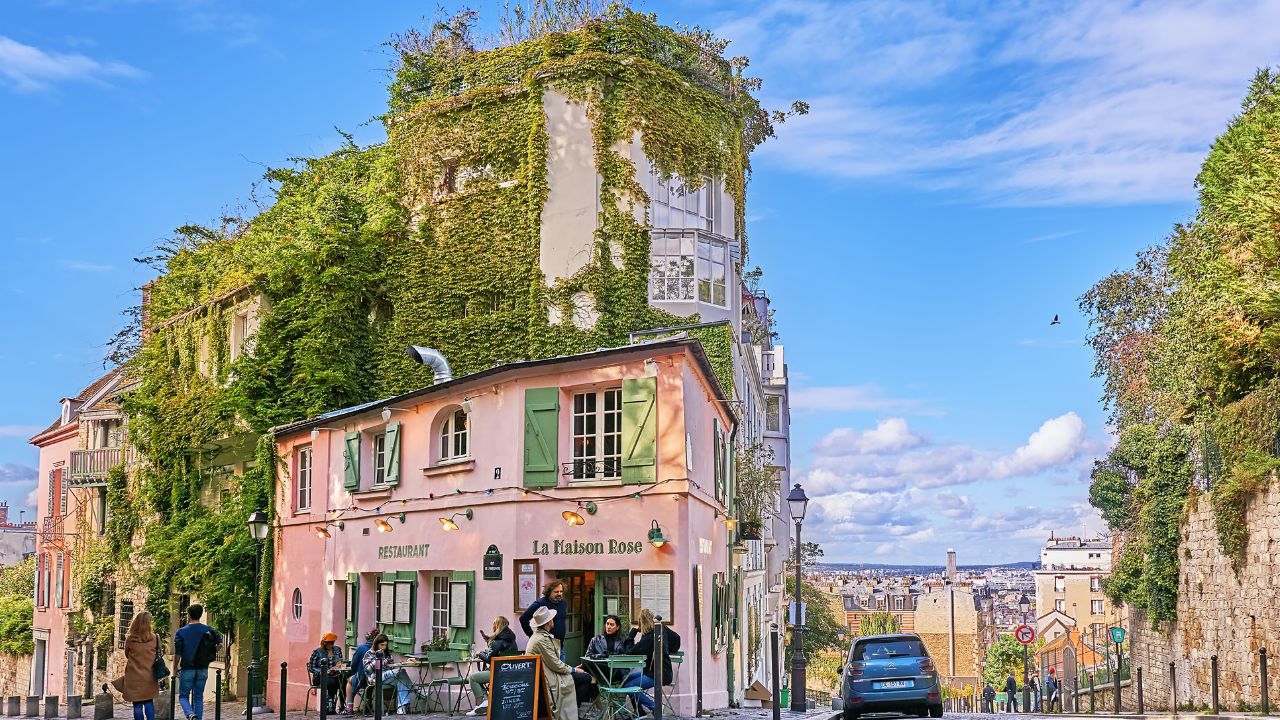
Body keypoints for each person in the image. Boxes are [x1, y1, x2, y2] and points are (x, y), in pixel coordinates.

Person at [621, 609, 681, 715]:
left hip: (658, 675)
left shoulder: (648, 639)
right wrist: (666, 648)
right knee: (625, 679)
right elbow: (677, 639)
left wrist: (631, 635)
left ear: (641, 623)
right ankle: (639, 712)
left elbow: (630, 651)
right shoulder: (661, 629)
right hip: (655, 672)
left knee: (629, 687)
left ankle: (654, 706)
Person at [526, 605, 579, 720]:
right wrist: (573, 669)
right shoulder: (541, 639)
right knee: (583, 679)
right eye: (552, 619)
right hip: (546, 677)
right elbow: (555, 664)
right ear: (549, 622)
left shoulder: (539, 636)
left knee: (582, 678)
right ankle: (572, 714)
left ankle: (578, 713)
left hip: (545, 673)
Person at [173, 604, 222, 720]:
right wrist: (210, 651)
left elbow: (178, 653)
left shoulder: (181, 632)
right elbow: (220, 645)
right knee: (198, 697)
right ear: (200, 614)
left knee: (183, 696)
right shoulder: (210, 630)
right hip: (203, 668)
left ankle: (190, 714)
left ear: (189, 615)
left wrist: (174, 668)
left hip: (187, 668)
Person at [465, 617, 520, 716]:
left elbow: (488, 658)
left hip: (497, 672)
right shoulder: (511, 640)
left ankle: (481, 705)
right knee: (479, 677)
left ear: (497, 625)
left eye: (494, 624)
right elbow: (497, 652)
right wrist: (489, 641)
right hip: (509, 672)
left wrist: (479, 653)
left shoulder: (497, 641)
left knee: (472, 678)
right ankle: (486, 702)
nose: (492, 626)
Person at [116, 610, 161, 720]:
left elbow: (127, 654)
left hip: (134, 676)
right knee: (149, 702)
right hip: (149, 675)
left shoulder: (130, 639)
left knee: (137, 704)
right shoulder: (155, 638)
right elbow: (158, 654)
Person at [362, 633, 420, 715]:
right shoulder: (369, 654)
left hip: (387, 676)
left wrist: (403, 662)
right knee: (401, 672)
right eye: (382, 645)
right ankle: (417, 692)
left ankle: (402, 708)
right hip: (375, 678)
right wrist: (381, 661)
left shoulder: (387, 654)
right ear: (376, 644)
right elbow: (367, 670)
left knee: (401, 679)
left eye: (385, 645)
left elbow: (392, 668)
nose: (383, 647)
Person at [520, 580, 568, 646]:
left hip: (559, 645)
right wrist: (531, 635)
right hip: (546, 644)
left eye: (561, 591)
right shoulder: (540, 603)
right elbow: (523, 618)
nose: (559, 594)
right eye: (556, 592)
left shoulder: (563, 602)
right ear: (549, 592)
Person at [343, 628, 378, 715]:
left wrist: (352, 670)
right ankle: (368, 704)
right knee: (369, 683)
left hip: (363, 678)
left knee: (349, 681)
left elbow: (353, 665)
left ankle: (349, 707)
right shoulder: (381, 649)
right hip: (377, 678)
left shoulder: (361, 649)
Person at [308, 632, 345, 713]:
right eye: (329, 643)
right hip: (320, 677)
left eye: (333, 643)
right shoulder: (317, 652)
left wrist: (339, 667)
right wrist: (324, 671)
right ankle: (330, 705)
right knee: (332, 682)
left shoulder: (337, 650)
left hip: (335, 674)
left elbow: (340, 662)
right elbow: (311, 668)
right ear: (325, 643)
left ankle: (343, 706)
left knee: (344, 681)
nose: (331, 645)